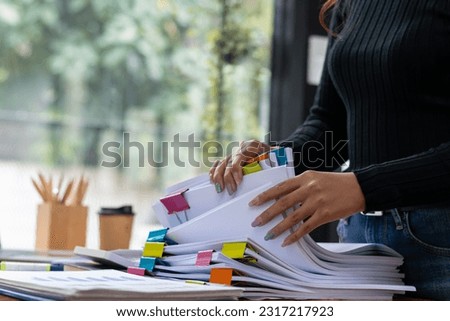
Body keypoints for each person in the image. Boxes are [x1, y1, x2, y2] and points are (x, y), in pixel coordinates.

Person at [209, 0, 450, 300]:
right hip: (359, 241)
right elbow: (329, 124)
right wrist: (273, 160)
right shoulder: (350, 5)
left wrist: (363, 187)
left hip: (440, 242)